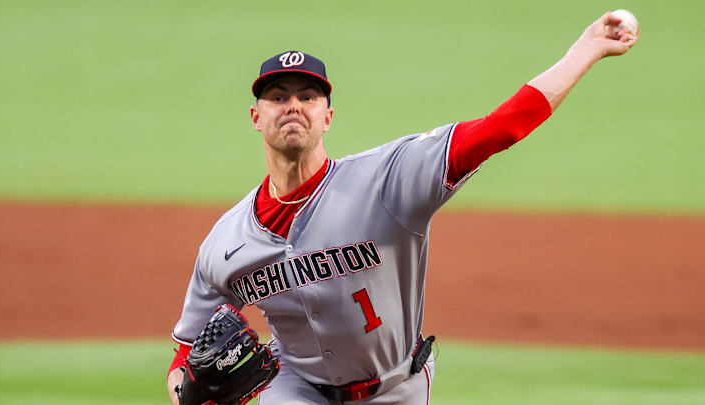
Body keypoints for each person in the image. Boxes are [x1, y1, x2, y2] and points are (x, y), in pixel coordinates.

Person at [167, 12, 638, 405]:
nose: (294, 106)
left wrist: (586, 50)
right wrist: (187, 391)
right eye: (277, 97)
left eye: (308, 96)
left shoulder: (387, 180)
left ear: (327, 115)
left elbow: (501, 128)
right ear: (257, 117)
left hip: (398, 388)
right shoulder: (226, 242)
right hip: (294, 390)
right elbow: (185, 354)